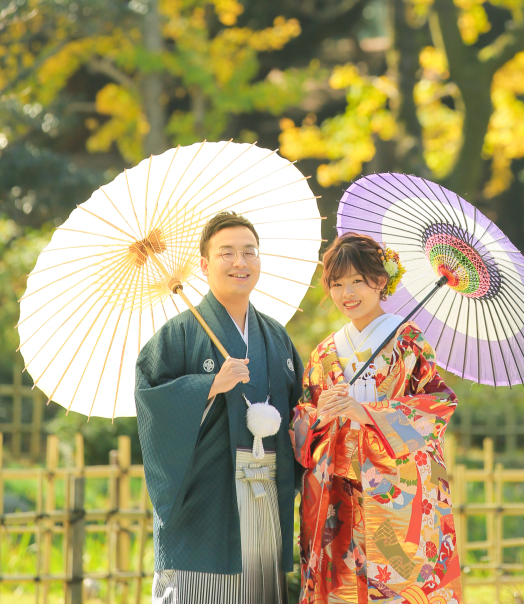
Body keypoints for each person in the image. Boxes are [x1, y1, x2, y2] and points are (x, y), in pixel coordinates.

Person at [135, 210, 304, 604]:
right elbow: (150, 403)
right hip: (205, 501)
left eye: (250, 252)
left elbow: (300, 409)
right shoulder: (179, 334)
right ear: (204, 264)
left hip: (264, 491)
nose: (240, 262)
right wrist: (209, 385)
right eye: (226, 253)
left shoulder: (275, 336)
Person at [292, 232, 462, 604]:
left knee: (399, 587)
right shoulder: (325, 352)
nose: (346, 293)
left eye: (356, 281)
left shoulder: (407, 340)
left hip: (395, 491)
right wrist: (320, 416)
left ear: (381, 281)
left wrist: (368, 413)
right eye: (336, 284)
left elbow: (438, 403)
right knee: (341, 589)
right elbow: (302, 417)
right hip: (338, 491)